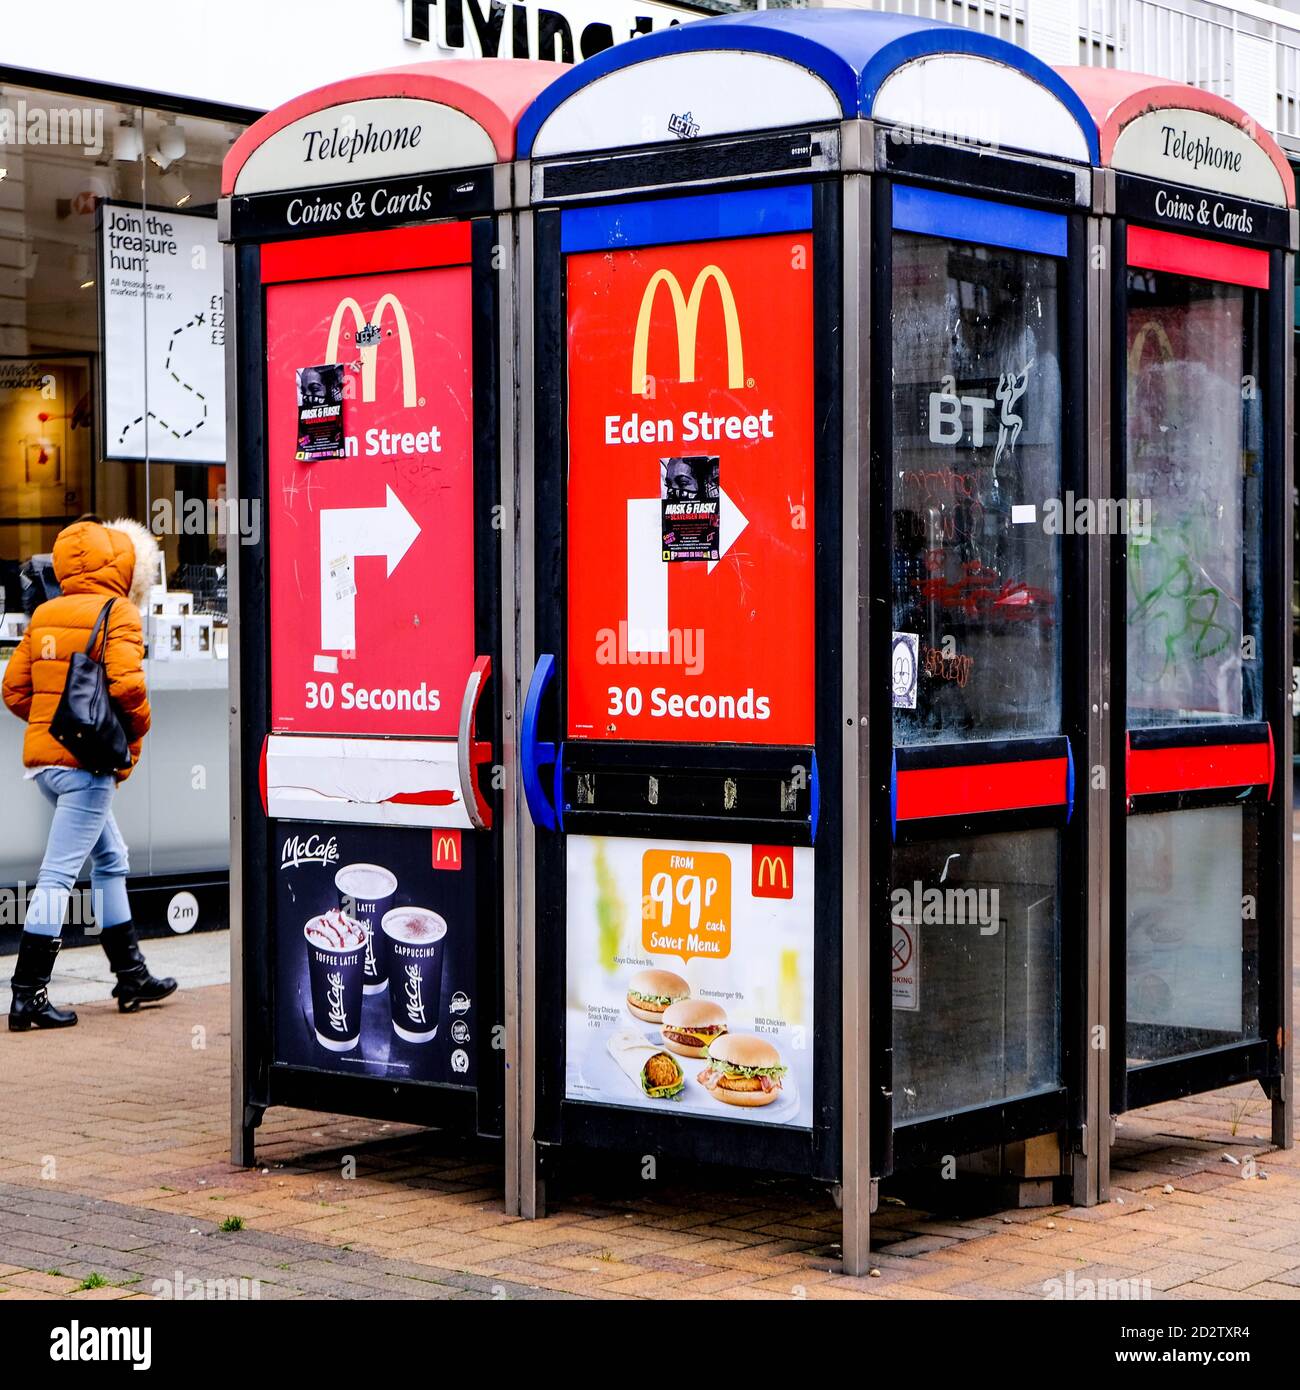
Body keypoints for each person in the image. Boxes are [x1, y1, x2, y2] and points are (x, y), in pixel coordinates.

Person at [2, 515, 176, 1031]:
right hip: (88, 766)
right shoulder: (118, 611)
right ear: (120, 561)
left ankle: (131, 975)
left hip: (47, 766)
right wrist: (137, 731)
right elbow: (126, 687)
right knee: (58, 876)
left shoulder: (46, 612)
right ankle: (28, 996)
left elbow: (14, 689)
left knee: (110, 857)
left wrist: (51, 725)